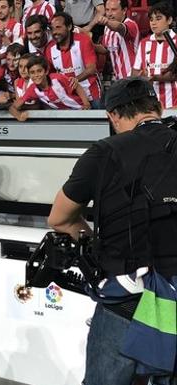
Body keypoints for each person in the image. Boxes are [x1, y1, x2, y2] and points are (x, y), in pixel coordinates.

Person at [47, 77, 177, 385]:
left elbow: (60, 218)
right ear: (157, 107)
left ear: (113, 115)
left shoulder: (104, 151)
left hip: (124, 298)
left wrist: (95, 243)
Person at [44, 12, 102, 109]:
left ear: (69, 26)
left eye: (58, 27)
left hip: (91, 93)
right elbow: (50, 74)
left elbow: (91, 68)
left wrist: (76, 79)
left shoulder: (83, 41)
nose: (54, 32)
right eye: (52, 29)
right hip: (69, 99)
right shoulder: (50, 48)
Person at [10, 54, 90, 120]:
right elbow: (13, 107)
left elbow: (76, 86)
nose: (36, 75)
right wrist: (19, 116)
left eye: (39, 71)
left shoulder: (57, 78)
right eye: (32, 72)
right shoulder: (32, 89)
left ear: (46, 71)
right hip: (64, 117)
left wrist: (86, 104)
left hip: (81, 112)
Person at [131, 2, 177, 110]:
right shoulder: (144, 43)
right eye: (151, 19)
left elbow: (174, 74)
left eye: (158, 18)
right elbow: (135, 72)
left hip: (174, 104)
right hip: (151, 106)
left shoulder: (175, 41)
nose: (154, 23)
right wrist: (140, 76)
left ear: (169, 20)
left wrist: (154, 77)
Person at [94, 0, 138, 80]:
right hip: (118, 79)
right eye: (107, 10)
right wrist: (88, 44)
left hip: (132, 78)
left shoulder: (131, 24)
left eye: (114, 10)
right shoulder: (107, 28)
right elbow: (105, 49)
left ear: (124, 10)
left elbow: (119, 27)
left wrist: (107, 22)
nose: (109, 14)